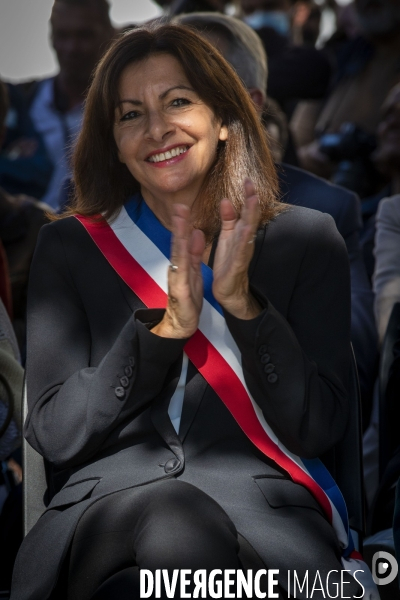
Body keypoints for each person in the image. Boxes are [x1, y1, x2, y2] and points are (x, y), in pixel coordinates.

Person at [11, 22, 372, 600]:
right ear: (114, 142)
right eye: (131, 115)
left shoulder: (307, 240)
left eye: (178, 102)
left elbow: (320, 425)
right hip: (104, 517)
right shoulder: (71, 248)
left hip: (264, 528)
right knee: (174, 522)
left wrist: (245, 309)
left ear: (226, 120)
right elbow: (54, 432)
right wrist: (160, 335)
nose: (156, 129)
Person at [176, 11, 378, 425]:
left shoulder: (324, 212)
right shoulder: (116, 212)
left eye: (195, 90)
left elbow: (349, 364)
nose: (171, 114)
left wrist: (249, 307)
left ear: (250, 105)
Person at [18, 0, 115, 210]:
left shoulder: (124, 109)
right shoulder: (20, 104)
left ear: (109, 34)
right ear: (51, 38)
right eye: (63, 35)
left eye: (84, 35)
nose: (72, 47)